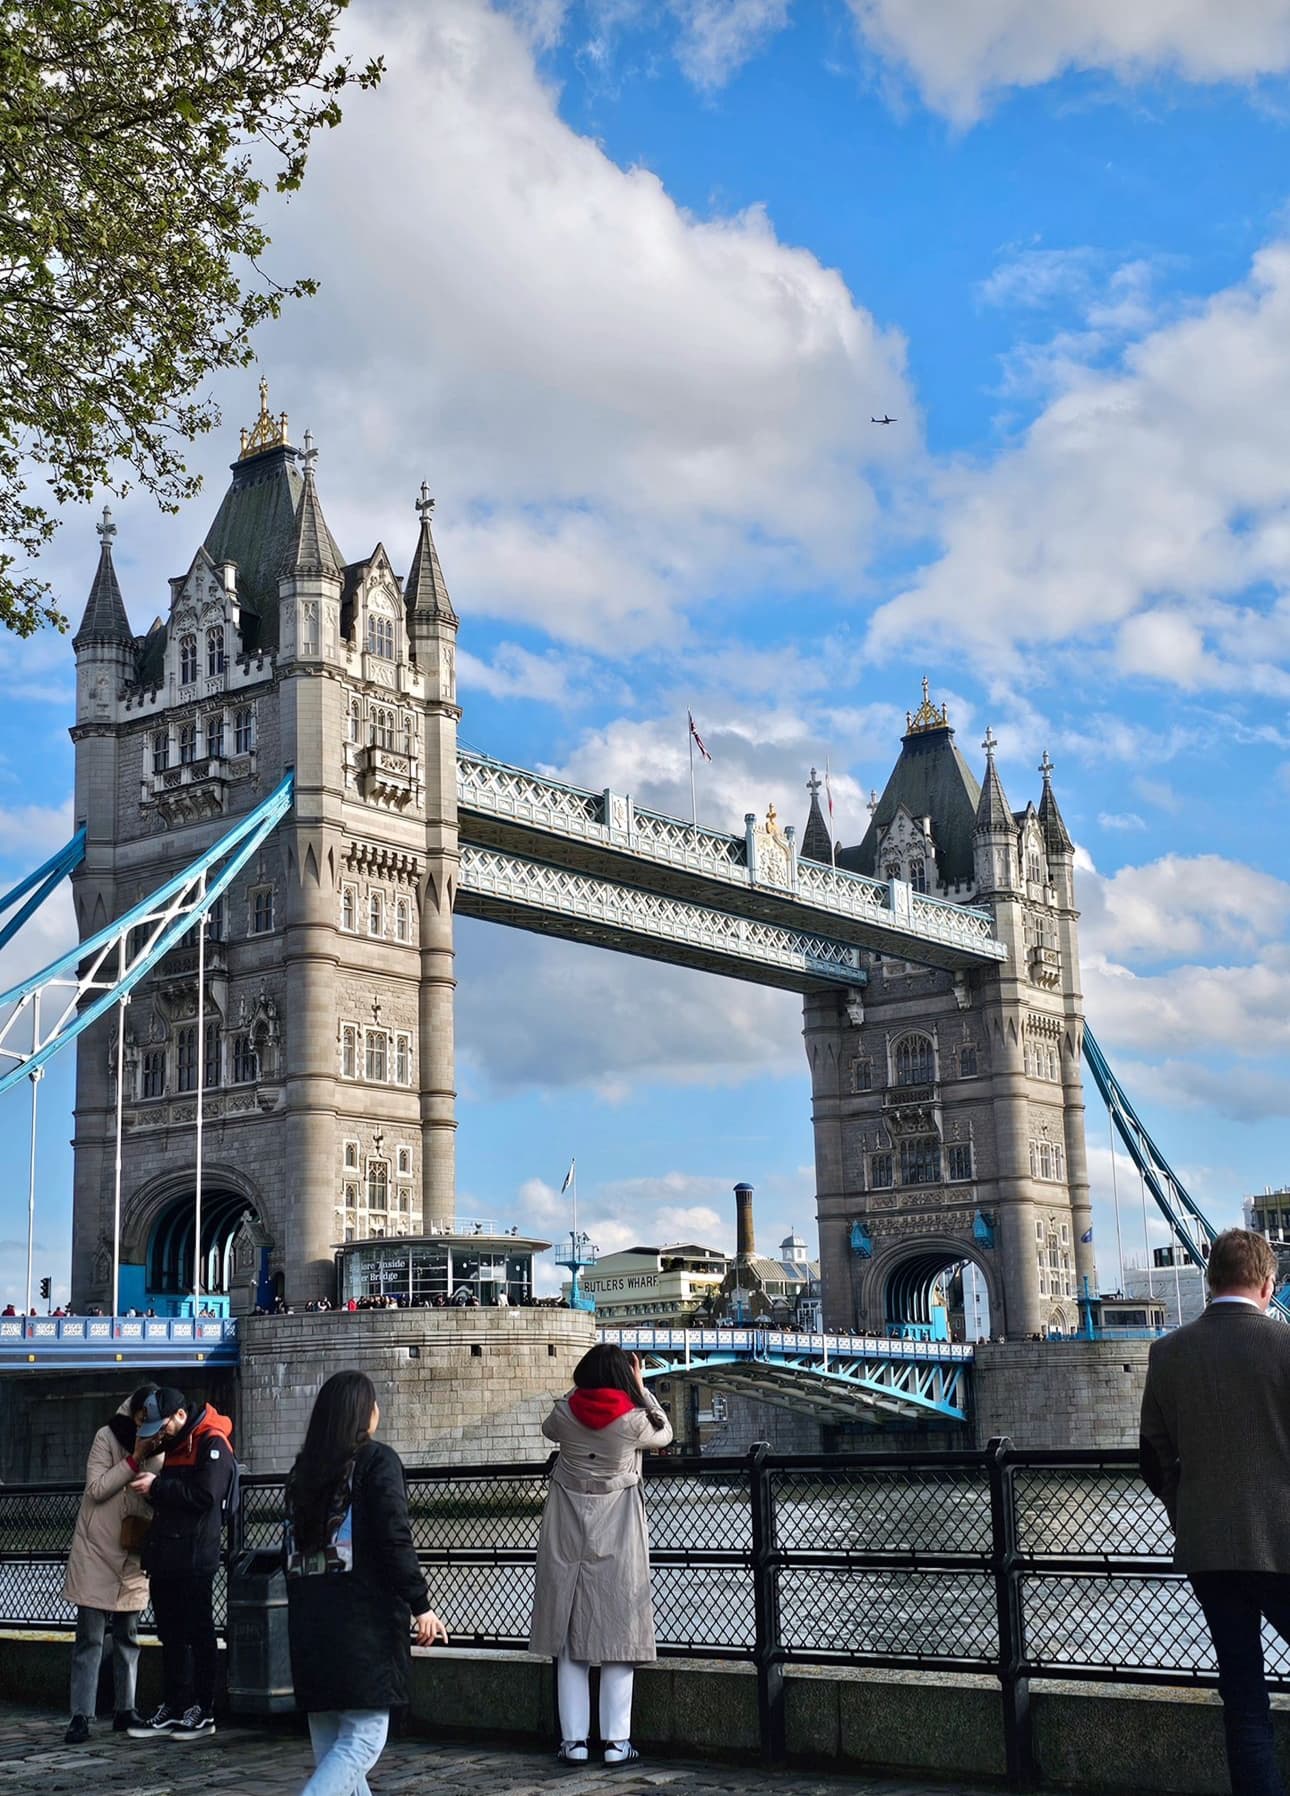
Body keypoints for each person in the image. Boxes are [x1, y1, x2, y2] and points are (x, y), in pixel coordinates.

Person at [1140, 1228, 1290, 1796]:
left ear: (1210, 1280)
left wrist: (1188, 1509)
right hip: (1284, 1543)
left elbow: (1153, 1455)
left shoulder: (1168, 1352)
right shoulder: (1287, 1345)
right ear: (1267, 1281)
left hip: (1210, 1548)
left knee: (1245, 1697)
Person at [284, 1370, 448, 1796]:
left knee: (333, 1752)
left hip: (309, 1626)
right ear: (363, 1414)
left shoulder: (302, 1471)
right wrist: (421, 1604)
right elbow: (395, 1536)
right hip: (362, 1626)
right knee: (363, 1739)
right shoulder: (377, 1461)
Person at [529, 1343, 673, 1766]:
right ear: (624, 1375)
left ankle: (573, 1742)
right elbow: (664, 1433)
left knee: (569, 1639)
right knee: (618, 1636)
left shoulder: (565, 1415)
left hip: (568, 1525)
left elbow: (548, 1430)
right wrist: (643, 1390)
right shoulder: (632, 1422)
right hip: (618, 1527)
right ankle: (615, 1743)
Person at [126, 1386, 237, 1740]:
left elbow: (206, 1495)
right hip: (169, 1555)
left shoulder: (212, 1442)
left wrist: (157, 1488)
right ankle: (175, 1704)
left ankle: (202, 1709)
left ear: (180, 1416)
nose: (161, 1432)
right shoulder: (176, 1444)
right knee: (171, 1634)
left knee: (198, 1632)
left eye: (163, 1425)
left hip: (195, 1556)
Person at [61, 1383, 161, 1743]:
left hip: (132, 1554)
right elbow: (97, 1489)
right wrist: (134, 1459)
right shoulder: (106, 1437)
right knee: (89, 1638)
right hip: (95, 1550)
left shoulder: (161, 1445)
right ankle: (80, 1715)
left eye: (150, 1423)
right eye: (139, 1419)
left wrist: (155, 1478)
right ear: (132, 1413)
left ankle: (126, 1708)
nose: (143, 1428)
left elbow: (155, 1499)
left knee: (128, 1636)